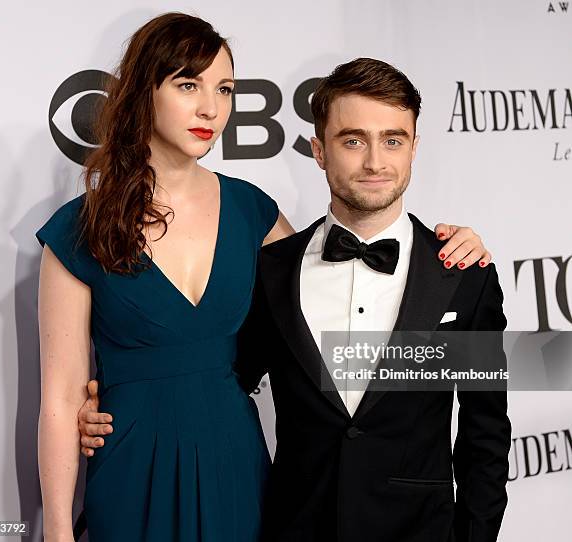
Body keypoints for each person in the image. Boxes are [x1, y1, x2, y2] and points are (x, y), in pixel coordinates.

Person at [42, 13, 491, 542]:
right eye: (189, 85)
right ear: (145, 91)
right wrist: (56, 530)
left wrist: (450, 253)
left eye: (225, 89)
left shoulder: (253, 213)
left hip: (237, 465)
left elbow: (340, 298)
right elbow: (59, 397)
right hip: (132, 464)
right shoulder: (81, 227)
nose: (211, 107)